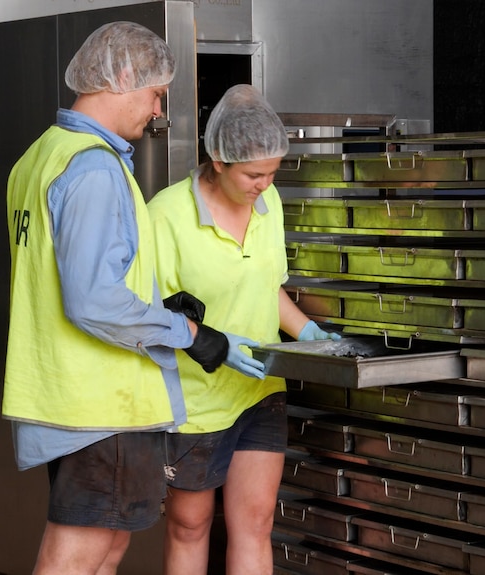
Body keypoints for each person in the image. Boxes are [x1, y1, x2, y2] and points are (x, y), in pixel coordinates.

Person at [3, 23, 258, 575]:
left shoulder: (41, 156)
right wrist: (191, 335)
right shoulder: (93, 167)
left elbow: (69, 278)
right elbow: (93, 300)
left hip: (69, 396)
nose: (157, 108)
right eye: (155, 92)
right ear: (122, 76)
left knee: (106, 545)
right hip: (102, 400)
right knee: (80, 551)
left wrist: (159, 307)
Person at [148, 84, 341, 575]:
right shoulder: (165, 215)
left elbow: (267, 287)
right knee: (190, 525)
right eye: (254, 174)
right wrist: (207, 344)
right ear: (218, 160)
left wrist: (307, 332)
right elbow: (148, 311)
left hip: (259, 388)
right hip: (194, 400)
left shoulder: (268, 203)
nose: (264, 184)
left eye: (272, 173)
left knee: (254, 524)